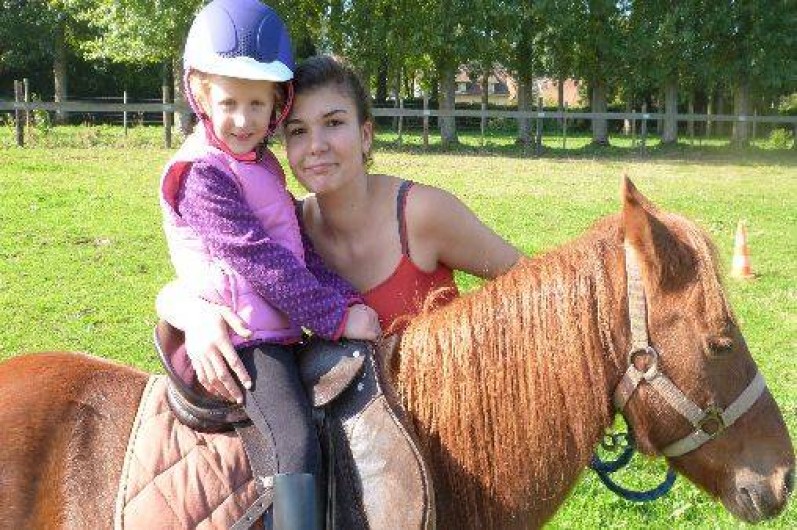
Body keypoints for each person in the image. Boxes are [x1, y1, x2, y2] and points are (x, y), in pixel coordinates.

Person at [158, 54, 521, 529]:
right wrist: (192, 312)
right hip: (374, 461)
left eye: (334, 123)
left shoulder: (421, 214)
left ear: (366, 133)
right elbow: (224, 263)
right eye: (298, 131)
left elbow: (531, 284)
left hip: (454, 449)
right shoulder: (293, 225)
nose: (316, 146)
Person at [158, 3, 379, 528]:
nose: (242, 119)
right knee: (296, 448)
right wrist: (335, 317)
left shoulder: (261, 164)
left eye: (257, 104)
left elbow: (296, 250)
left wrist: (347, 299)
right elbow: (260, 261)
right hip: (246, 344)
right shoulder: (202, 175)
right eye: (228, 102)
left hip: (274, 331)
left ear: (277, 105)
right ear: (201, 95)